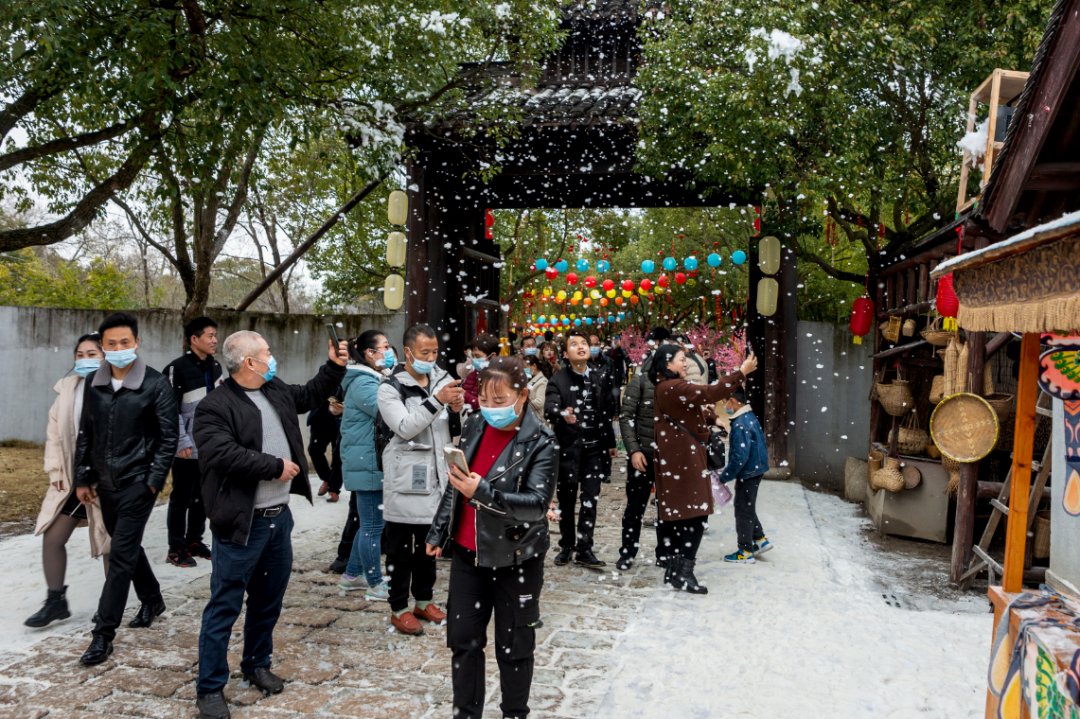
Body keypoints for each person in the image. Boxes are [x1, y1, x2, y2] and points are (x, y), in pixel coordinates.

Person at [191, 330, 347, 719]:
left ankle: (257, 663)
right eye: (266, 353)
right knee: (224, 605)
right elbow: (221, 453)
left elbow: (309, 394)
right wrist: (274, 466)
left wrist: (334, 366)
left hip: (280, 520)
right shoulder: (215, 406)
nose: (272, 357)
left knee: (268, 600)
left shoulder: (273, 388)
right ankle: (210, 687)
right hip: (242, 523)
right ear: (249, 362)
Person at [426, 356, 557, 719]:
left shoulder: (541, 441)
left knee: (514, 646)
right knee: (463, 641)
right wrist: (439, 530)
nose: (490, 407)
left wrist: (482, 491)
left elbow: (535, 504)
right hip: (469, 554)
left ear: (522, 395)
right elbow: (456, 484)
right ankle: (466, 714)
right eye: (485, 398)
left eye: (499, 400)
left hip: (517, 556)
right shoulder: (475, 424)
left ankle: (515, 712)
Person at [74, 312, 178, 665]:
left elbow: (168, 438)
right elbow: (86, 433)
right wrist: (82, 477)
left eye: (125, 342)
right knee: (127, 547)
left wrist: (152, 482)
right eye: (111, 344)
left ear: (136, 343)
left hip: (138, 484)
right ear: (102, 347)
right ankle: (152, 597)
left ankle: (102, 635)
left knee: (119, 557)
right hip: (105, 483)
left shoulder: (155, 384)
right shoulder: (95, 384)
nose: (119, 349)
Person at [650, 343, 757, 594]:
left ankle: (675, 570)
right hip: (683, 461)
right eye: (680, 359)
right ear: (667, 364)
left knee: (683, 516)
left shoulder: (667, 388)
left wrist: (712, 418)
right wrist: (741, 372)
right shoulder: (672, 387)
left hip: (679, 458)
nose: (685, 363)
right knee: (695, 515)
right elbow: (709, 393)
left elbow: (691, 409)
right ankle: (683, 572)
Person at [378, 324, 463, 636]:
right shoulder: (390, 387)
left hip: (438, 477)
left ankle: (424, 600)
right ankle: (398, 607)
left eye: (435, 352)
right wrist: (437, 400)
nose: (431, 357)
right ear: (408, 352)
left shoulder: (441, 378)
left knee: (431, 545)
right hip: (406, 479)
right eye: (424, 352)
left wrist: (456, 408)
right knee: (401, 550)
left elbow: (453, 426)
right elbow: (405, 426)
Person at [26, 334, 110, 628]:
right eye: (80, 353)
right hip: (74, 480)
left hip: (108, 481)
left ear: (105, 356)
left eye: (92, 353)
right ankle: (55, 600)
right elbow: (53, 437)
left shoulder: (117, 389)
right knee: (53, 537)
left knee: (109, 543)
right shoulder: (67, 390)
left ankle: (111, 606)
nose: (85, 359)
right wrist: (56, 474)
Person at [544, 331, 617, 569]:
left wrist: (610, 443)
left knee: (590, 499)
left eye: (584, 343)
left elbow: (606, 412)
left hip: (593, 450)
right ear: (565, 354)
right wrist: (564, 414)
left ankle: (585, 548)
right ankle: (566, 545)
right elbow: (550, 408)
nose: (581, 347)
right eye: (574, 344)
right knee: (566, 500)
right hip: (568, 448)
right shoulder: (559, 380)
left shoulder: (599, 376)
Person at [337, 330, 392, 601]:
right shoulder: (364, 384)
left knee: (368, 524)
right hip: (367, 461)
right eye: (384, 347)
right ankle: (375, 582)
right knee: (372, 526)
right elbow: (389, 412)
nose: (388, 351)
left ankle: (351, 576)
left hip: (367, 460)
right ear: (370, 353)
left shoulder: (370, 379)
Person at [163, 316, 222, 568]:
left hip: (210, 445)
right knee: (182, 497)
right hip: (186, 446)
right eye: (209, 335)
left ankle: (194, 540)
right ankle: (176, 547)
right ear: (193, 339)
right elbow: (169, 409)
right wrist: (181, 440)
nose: (214, 340)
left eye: (215, 335)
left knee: (203, 495)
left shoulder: (217, 367)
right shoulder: (177, 368)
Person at [615, 346, 662, 571]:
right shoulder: (641, 381)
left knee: (667, 510)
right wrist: (633, 450)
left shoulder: (676, 385)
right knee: (635, 508)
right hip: (642, 457)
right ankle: (627, 551)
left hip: (667, 459)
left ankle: (665, 552)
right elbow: (626, 417)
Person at [717, 388, 772, 564]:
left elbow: (739, 456)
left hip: (749, 471)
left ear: (734, 401)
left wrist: (724, 477)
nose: (725, 406)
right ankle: (760, 539)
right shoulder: (748, 417)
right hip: (755, 469)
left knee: (742, 510)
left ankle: (745, 551)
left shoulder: (741, 423)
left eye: (726, 402)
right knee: (746, 505)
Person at [306, 399, 343, 502]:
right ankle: (327, 479)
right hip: (320, 416)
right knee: (314, 450)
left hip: (340, 418)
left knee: (338, 455)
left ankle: (334, 489)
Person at [463, 333, 499, 411]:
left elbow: (485, 404)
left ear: (492, 356)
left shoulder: (498, 379)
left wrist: (463, 394)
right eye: (473, 356)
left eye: (477, 356)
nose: (474, 359)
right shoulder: (473, 374)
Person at [524, 354, 549, 422]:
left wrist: (523, 404)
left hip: (538, 419)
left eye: (525, 367)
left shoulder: (542, 381)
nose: (524, 370)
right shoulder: (531, 380)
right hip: (531, 418)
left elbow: (539, 403)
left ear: (534, 366)